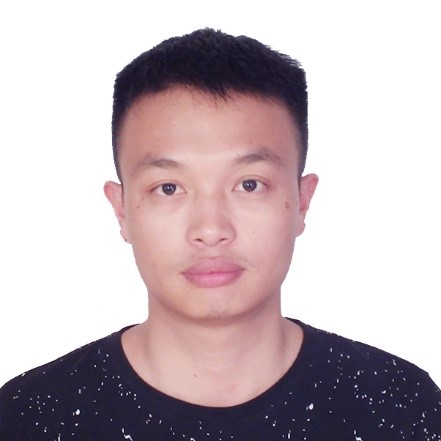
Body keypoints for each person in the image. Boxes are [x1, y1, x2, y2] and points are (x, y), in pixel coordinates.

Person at [0, 28, 439, 441]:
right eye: (168, 188)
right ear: (122, 210)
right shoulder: (26, 417)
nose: (210, 230)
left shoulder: (403, 407)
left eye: (249, 184)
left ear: (302, 201)